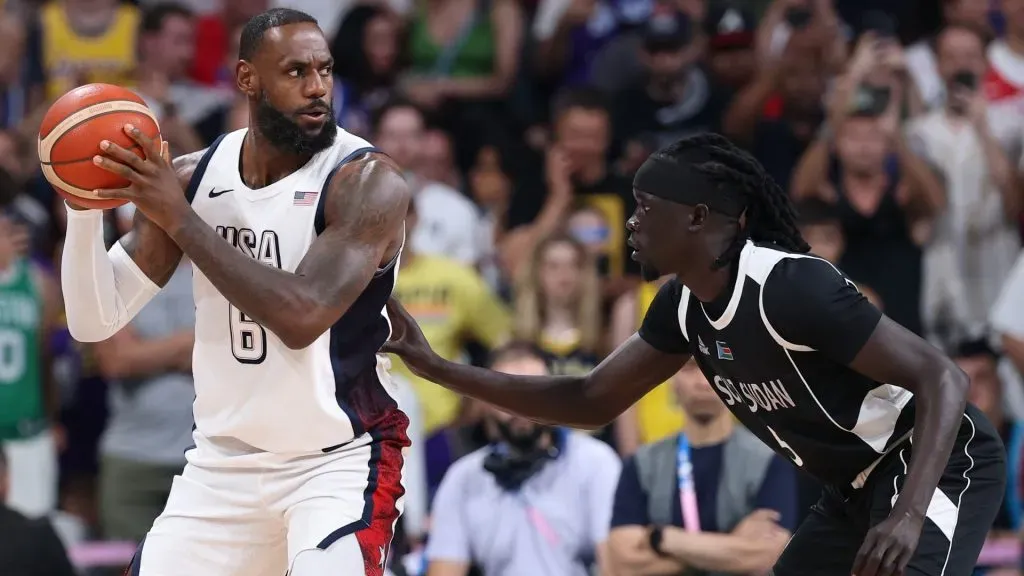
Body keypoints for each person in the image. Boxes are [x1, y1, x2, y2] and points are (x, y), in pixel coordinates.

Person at [385, 133, 1007, 576]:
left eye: (645, 210)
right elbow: (587, 399)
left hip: (936, 462)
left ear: (699, 219)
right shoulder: (682, 307)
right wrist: (438, 368)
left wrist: (908, 513)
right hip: (853, 488)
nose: (630, 225)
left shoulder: (789, 286)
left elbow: (942, 377)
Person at [59, 8, 411, 576]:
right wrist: (81, 210)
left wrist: (182, 221)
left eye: (324, 70)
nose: (318, 87)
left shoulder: (365, 182)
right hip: (224, 464)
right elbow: (93, 322)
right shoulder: (195, 178)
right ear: (247, 79)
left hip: (336, 462)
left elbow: (303, 317)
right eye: (296, 72)